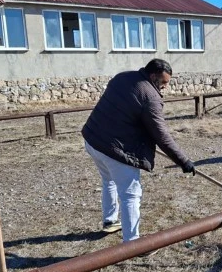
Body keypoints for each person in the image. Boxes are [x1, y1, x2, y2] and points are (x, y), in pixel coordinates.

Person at [81, 58, 196, 242]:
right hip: (114, 149)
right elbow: (162, 136)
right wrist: (184, 161)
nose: (166, 86)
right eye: (164, 82)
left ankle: (110, 220)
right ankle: (132, 244)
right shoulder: (150, 96)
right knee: (130, 194)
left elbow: (121, 110)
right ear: (153, 76)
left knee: (108, 180)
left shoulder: (122, 77)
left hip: (93, 140)